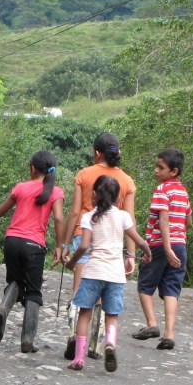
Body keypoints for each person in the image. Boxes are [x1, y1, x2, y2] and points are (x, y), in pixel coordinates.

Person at [59, 132, 137, 360]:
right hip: (111, 244)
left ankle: (74, 338)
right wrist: (131, 254)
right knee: (105, 300)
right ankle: (96, 345)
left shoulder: (84, 174)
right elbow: (130, 219)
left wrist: (65, 244)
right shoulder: (127, 181)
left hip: (83, 236)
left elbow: (75, 212)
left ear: (96, 153)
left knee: (80, 295)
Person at [65, 175, 151, 372]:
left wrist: (72, 262)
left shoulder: (89, 217)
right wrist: (147, 253)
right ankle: (110, 344)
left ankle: (79, 358)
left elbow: (83, 246)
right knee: (112, 314)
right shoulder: (123, 217)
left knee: (84, 314)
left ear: (95, 194)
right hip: (115, 275)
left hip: (93, 272)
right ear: (117, 197)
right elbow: (139, 240)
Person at [0, 150, 64, 353]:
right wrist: (59, 246)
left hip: (12, 241)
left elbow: (0, 211)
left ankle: (3, 308)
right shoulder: (56, 192)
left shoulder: (21, 187)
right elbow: (59, 218)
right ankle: (27, 339)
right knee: (33, 291)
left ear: (33, 168)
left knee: (15, 281)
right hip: (34, 245)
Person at [132, 148, 192, 351]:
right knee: (172, 289)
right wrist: (176, 239)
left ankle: (152, 324)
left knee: (145, 284)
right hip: (180, 245)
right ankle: (169, 335)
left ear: (173, 171)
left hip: (159, 245)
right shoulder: (183, 192)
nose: (156, 170)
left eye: (161, 167)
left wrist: (166, 247)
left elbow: (163, 218)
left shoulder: (162, 190)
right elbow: (188, 221)